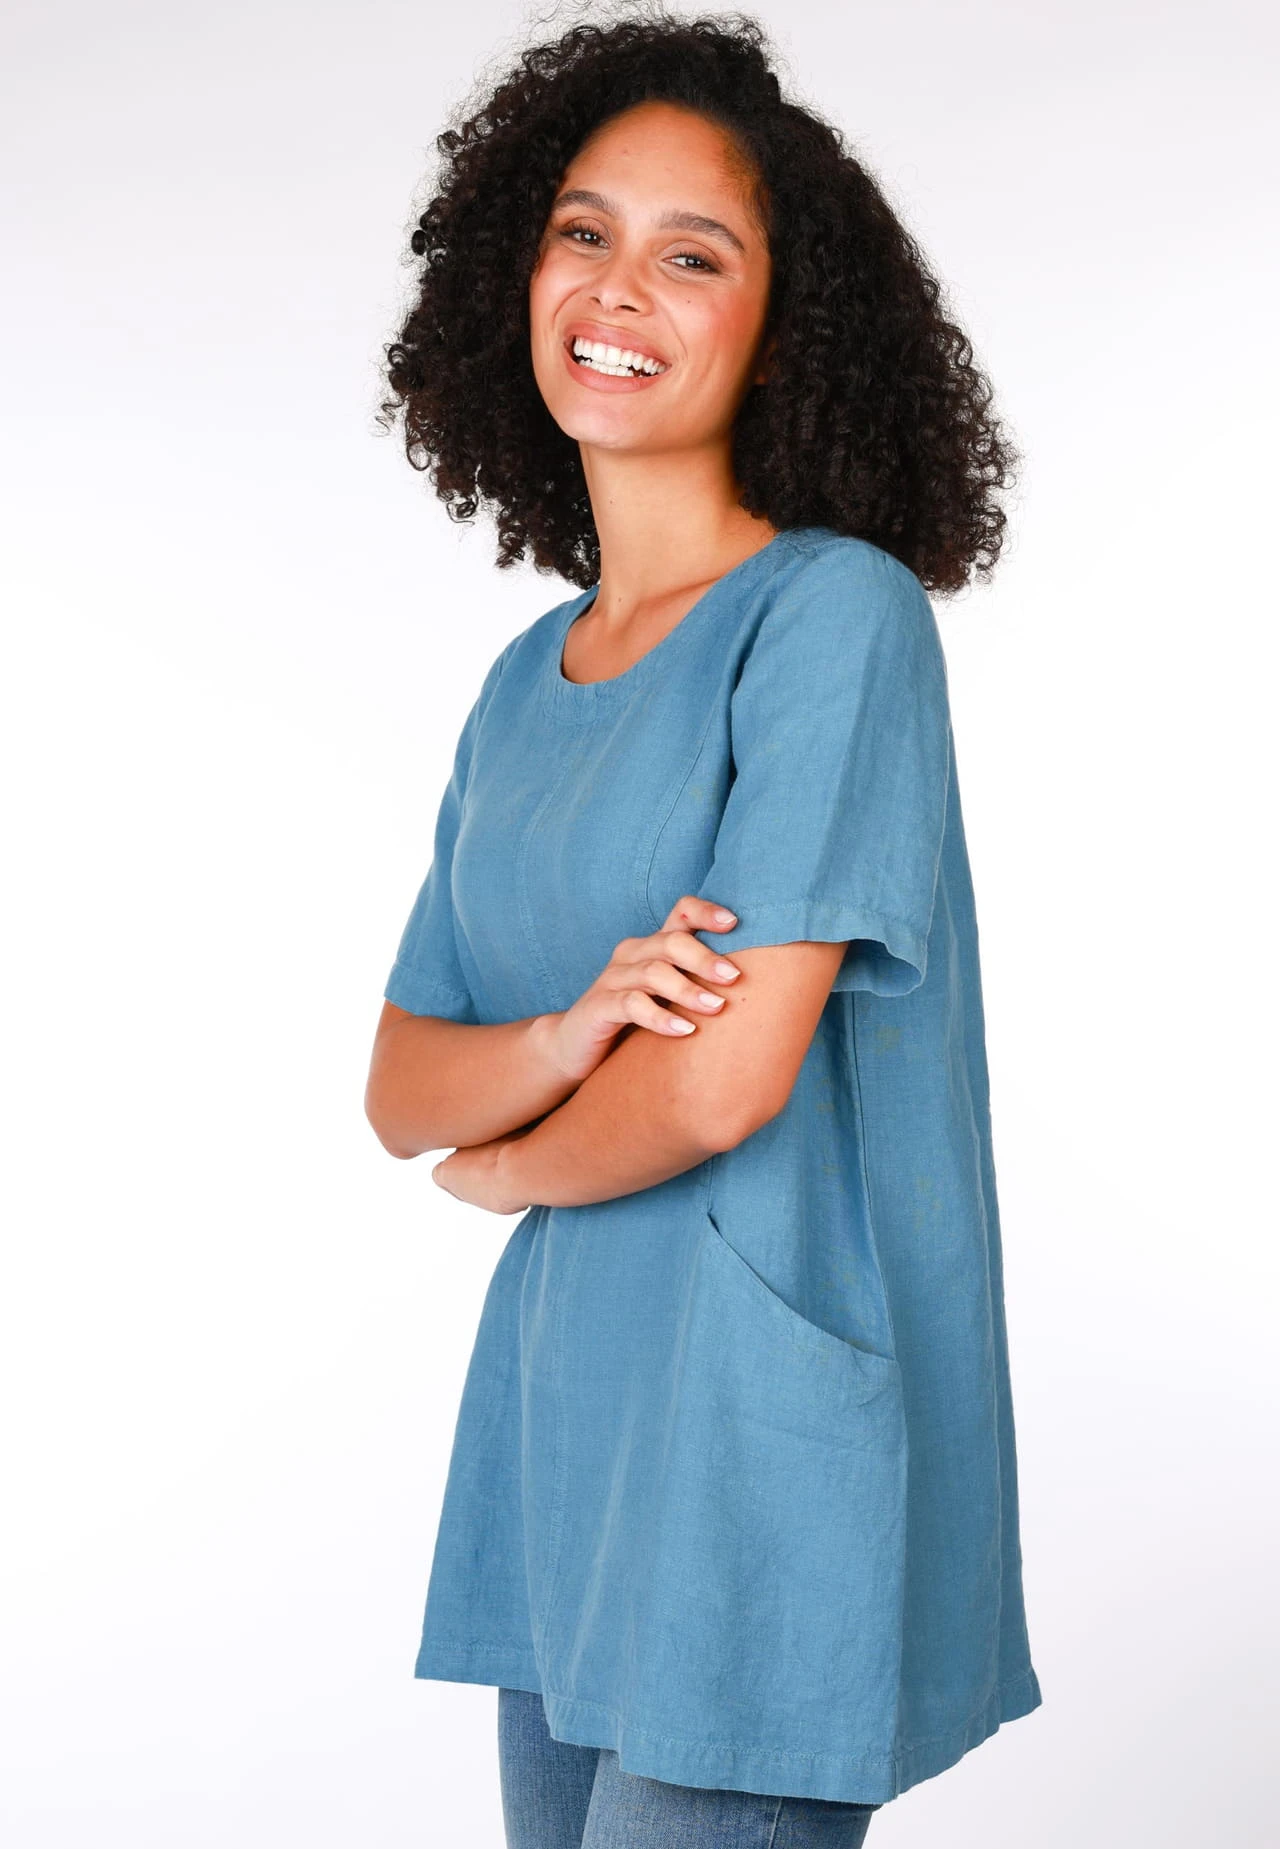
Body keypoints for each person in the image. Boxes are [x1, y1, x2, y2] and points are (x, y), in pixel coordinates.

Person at [364, 11, 1042, 1846]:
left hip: (755, 1448)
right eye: (582, 233)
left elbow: (723, 1085)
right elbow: (402, 1082)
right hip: (569, 1432)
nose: (616, 288)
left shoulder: (835, 621)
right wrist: (564, 1036)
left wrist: (512, 1166)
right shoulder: (527, 681)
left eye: (693, 255)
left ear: (782, 325)